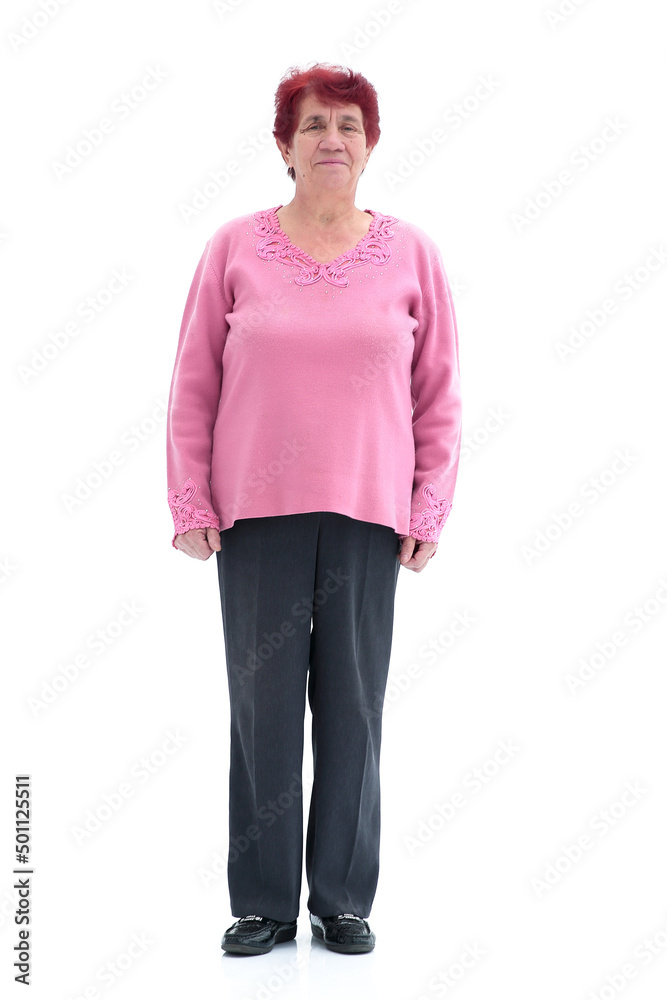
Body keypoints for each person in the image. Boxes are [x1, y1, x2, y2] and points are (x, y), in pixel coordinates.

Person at [166, 62, 462, 956]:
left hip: (370, 516)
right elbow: (193, 383)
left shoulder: (412, 255)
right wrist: (189, 498)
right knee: (260, 711)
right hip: (256, 518)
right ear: (284, 147)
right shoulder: (233, 248)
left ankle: (340, 898)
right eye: (313, 125)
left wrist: (429, 506)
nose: (331, 139)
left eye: (347, 125)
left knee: (353, 710)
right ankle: (262, 900)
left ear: (369, 146)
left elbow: (438, 393)